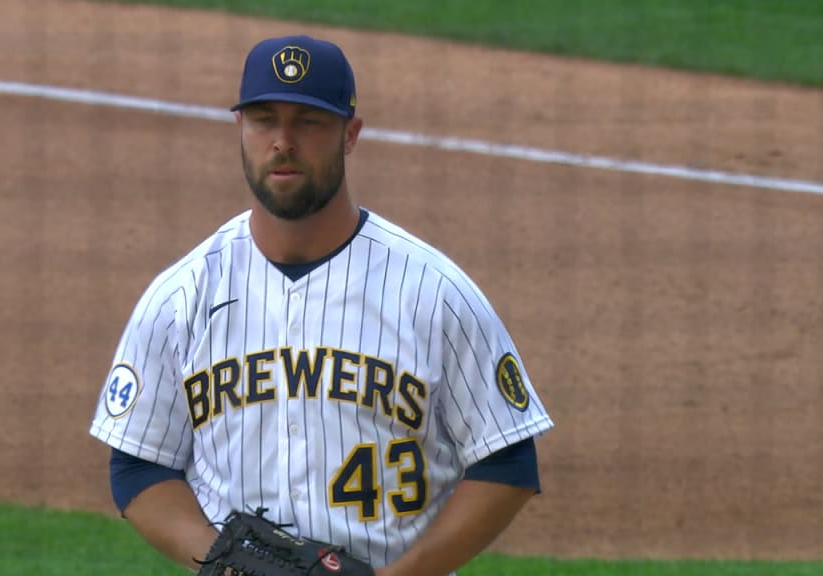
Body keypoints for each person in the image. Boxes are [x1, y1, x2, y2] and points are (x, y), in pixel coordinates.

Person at [88, 34, 554, 576]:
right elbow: (138, 465)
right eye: (264, 120)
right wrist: (225, 565)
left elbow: (508, 463)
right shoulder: (182, 297)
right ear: (240, 127)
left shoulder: (435, 293)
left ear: (349, 134)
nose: (282, 142)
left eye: (308, 122)